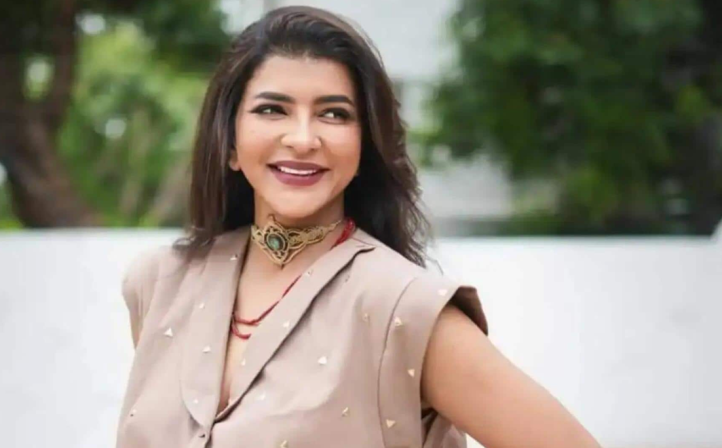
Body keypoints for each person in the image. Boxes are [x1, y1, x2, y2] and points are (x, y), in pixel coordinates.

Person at [116, 6, 601, 448]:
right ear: (229, 144)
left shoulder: (403, 310)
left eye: (334, 114)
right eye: (272, 109)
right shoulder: (162, 284)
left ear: (365, 146)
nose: (302, 138)